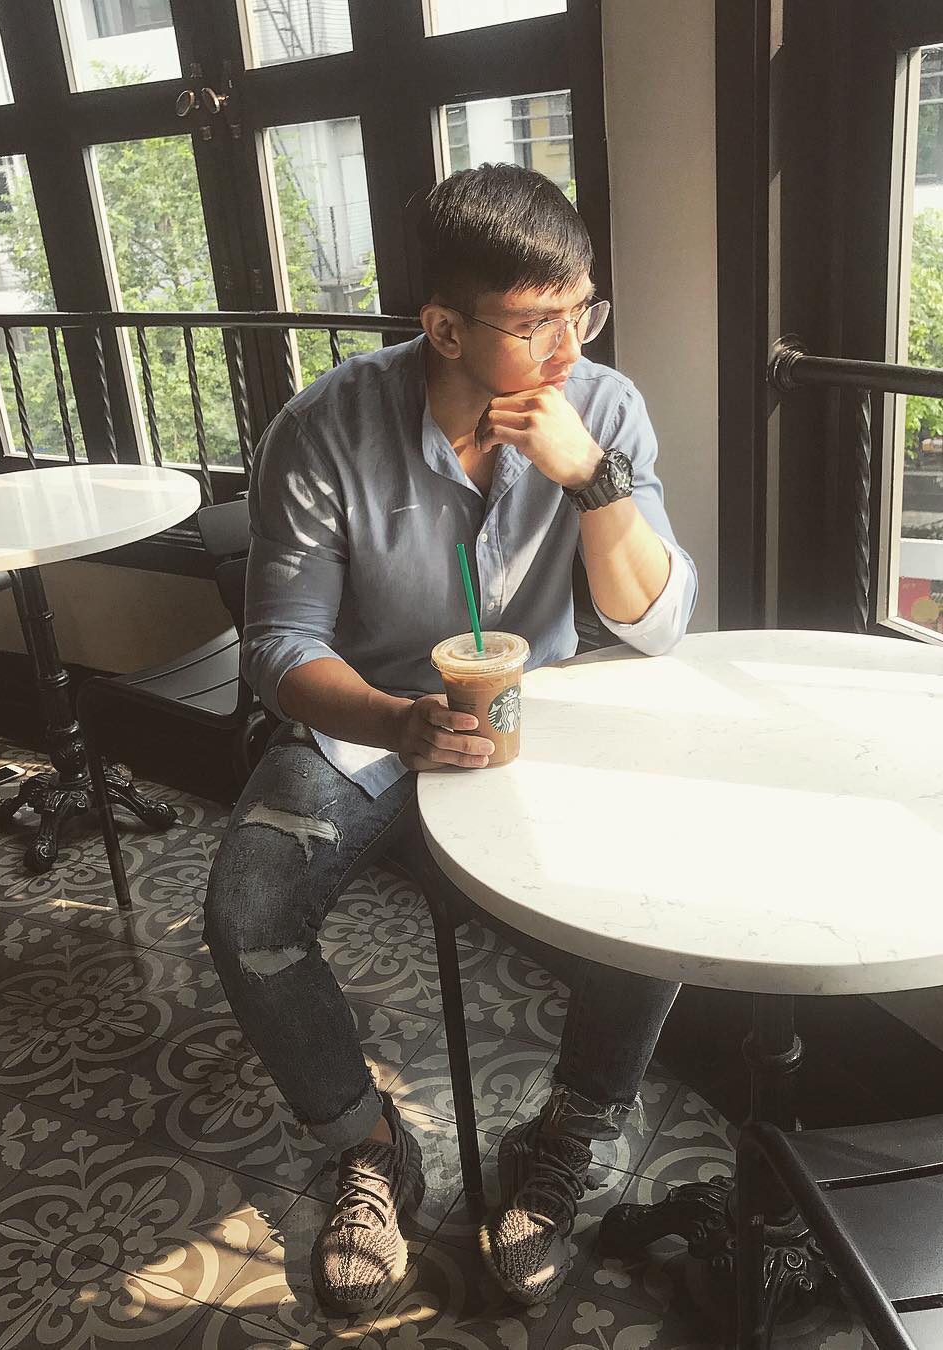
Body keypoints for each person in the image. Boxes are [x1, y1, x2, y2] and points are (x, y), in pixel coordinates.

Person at [202, 162, 698, 1312]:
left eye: (582, 310)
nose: (568, 347)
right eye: (534, 324)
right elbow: (280, 647)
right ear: (443, 328)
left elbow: (659, 622)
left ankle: (569, 1135)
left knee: (662, 903)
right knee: (248, 913)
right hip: (367, 722)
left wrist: (593, 481)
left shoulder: (601, 410)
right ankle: (368, 1148)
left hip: (540, 714)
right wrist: (395, 721)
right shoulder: (325, 429)